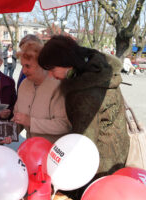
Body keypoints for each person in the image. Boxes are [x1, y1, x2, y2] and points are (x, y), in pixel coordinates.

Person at [38, 35, 130, 199]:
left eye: (52, 69)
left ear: (66, 61)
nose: (51, 76)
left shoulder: (86, 93)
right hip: (115, 150)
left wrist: (69, 187)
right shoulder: (97, 70)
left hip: (99, 164)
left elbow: (82, 146)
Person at [12, 40, 71, 143]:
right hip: (31, 148)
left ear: (42, 64)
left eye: (28, 66)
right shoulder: (24, 85)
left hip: (53, 151)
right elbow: (19, 117)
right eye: (22, 66)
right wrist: (11, 132)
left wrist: (30, 122)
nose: (24, 71)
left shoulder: (57, 86)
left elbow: (64, 125)